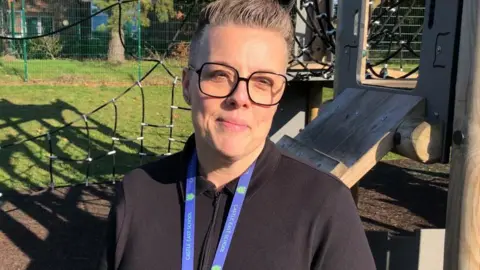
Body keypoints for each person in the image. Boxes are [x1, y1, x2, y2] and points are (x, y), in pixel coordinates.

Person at [98, 0, 376, 269]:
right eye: (219, 75)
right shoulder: (139, 193)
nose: (240, 97)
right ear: (186, 86)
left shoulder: (324, 206)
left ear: (278, 95)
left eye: (262, 81)